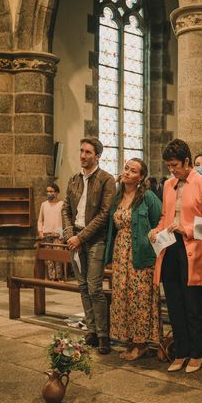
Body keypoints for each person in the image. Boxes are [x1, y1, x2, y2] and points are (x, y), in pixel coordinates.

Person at [150, 139, 202, 373]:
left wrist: (185, 229)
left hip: (192, 249)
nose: (172, 170)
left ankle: (197, 353)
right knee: (174, 303)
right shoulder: (168, 185)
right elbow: (165, 216)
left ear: (187, 161)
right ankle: (181, 351)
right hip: (170, 248)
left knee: (192, 303)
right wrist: (156, 231)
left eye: (175, 165)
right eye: (169, 166)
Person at [62, 138, 117, 354]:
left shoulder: (106, 179)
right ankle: (92, 331)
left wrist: (81, 238)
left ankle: (104, 335)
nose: (83, 155)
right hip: (75, 239)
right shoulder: (74, 180)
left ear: (97, 156)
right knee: (83, 286)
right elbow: (66, 209)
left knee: (94, 287)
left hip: (95, 240)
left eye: (88, 152)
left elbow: (104, 214)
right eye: (81, 151)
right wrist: (69, 234)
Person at [105, 158, 162, 360]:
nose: (127, 172)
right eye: (126, 168)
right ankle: (129, 341)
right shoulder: (117, 196)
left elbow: (159, 220)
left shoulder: (147, 197)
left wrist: (153, 235)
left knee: (140, 297)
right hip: (121, 252)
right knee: (122, 295)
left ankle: (141, 343)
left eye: (133, 170)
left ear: (141, 177)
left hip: (141, 252)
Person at [38, 183, 64, 281]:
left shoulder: (62, 204)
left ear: (56, 193)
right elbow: (40, 220)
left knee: (58, 256)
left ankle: (59, 277)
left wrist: (63, 234)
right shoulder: (44, 205)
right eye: (48, 191)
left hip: (58, 234)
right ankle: (52, 277)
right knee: (49, 258)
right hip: (47, 234)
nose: (49, 193)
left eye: (51, 191)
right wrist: (40, 231)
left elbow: (65, 220)